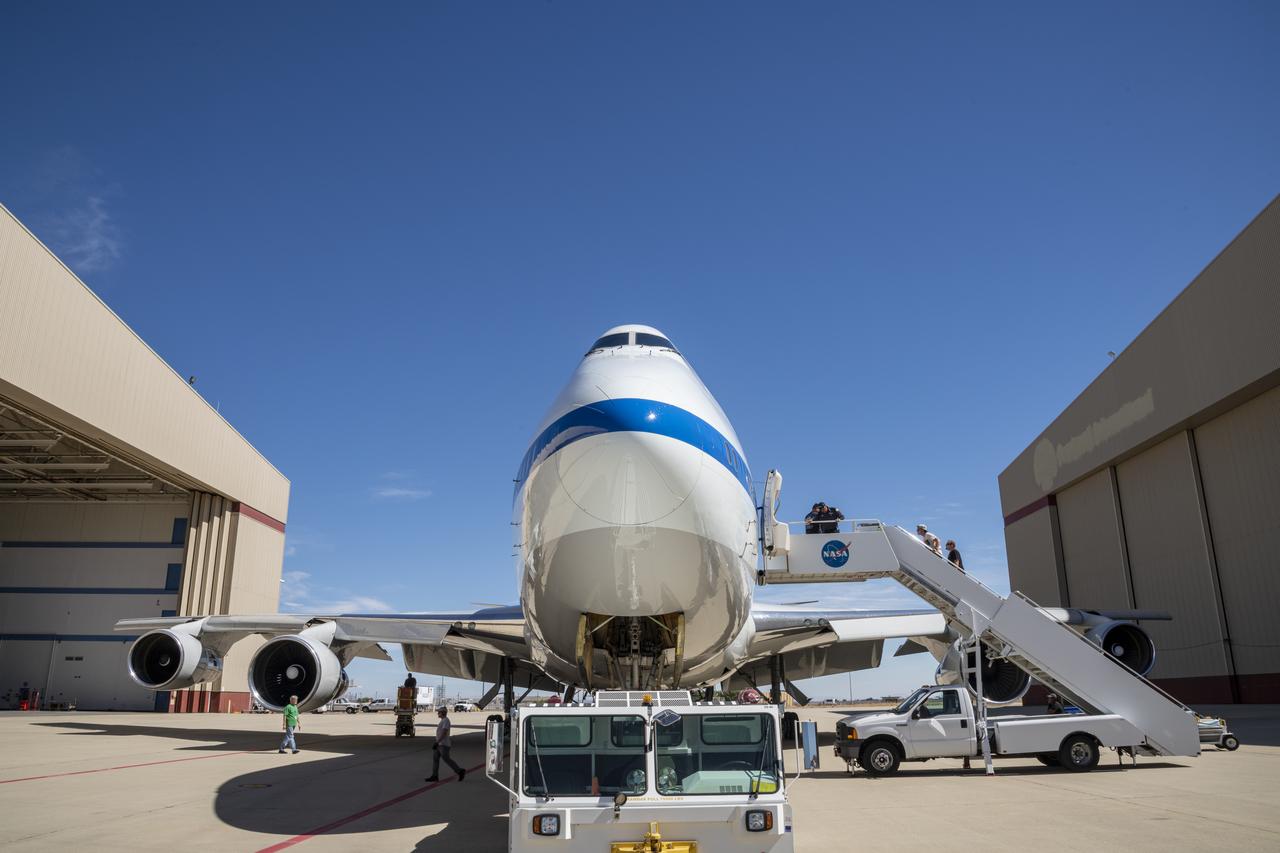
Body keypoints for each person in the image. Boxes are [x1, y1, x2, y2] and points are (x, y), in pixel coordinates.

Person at [425, 706, 465, 782]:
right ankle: (434, 776)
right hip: (439, 744)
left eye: (439, 712)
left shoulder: (446, 721)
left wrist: (437, 742)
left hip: (443, 744)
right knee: (435, 759)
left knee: (446, 759)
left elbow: (444, 732)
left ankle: (460, 771)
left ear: (442, 713)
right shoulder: (443, 720)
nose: (438, 713)